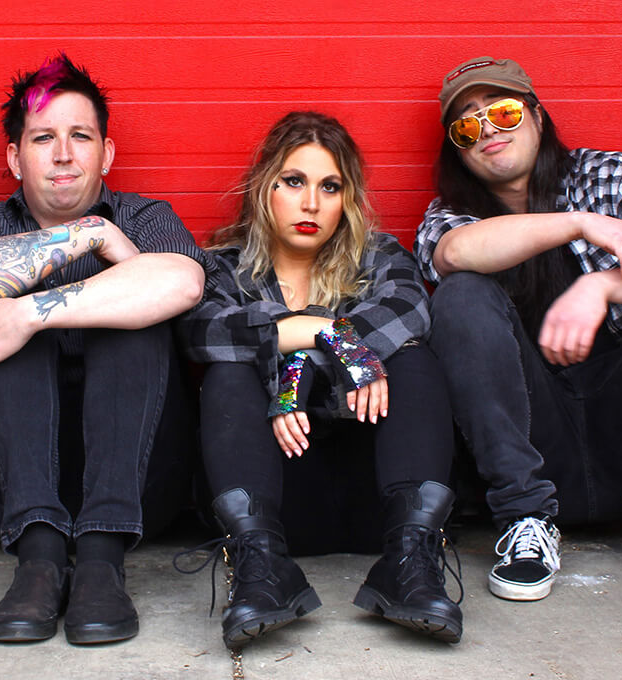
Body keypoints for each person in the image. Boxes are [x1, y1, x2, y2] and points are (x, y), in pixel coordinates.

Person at [0, 53, 211, 645]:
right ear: (13, 156)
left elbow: (182, 283)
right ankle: (40, 559)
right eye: (43, 137)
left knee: (125, 317)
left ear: (106, 153)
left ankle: (101, 558)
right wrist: (85, 235)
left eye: (80, 136)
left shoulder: (145, 218)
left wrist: (28, 313)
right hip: (13, 491)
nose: (62, 153)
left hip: (138, 486)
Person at [178, 111, 462, 649]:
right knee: (228, 371)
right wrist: (336, 338)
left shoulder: (378, 257)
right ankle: (260, 574)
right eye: (294, 182)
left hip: (377, 502)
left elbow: (410, 309)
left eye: (329, 187)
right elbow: (202, 332)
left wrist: (300, 366)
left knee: (412, 357)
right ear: (265, 188)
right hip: (277, 504)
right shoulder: (223, 270)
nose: (311, 203)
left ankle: (412, 564)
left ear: (346, 201)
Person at [416, 56, 622, 602]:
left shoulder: (614, 177)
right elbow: (456, 254)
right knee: (461, 293)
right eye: (467, 126)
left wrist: (601, 287)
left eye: (502, 112)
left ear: (536, 115)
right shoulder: (451, 215)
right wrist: (577, 224)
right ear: (457, 148)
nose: (488, 132)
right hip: (538, 439)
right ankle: (524, 522)